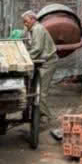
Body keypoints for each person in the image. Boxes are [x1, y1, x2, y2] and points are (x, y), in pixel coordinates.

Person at [21, 10, 60, 139]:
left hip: (47, 63)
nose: (25, 24)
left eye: (26, 21)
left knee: (40, 92)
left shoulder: (38, 29)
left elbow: (37, 49)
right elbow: (25, 40)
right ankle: (39, 115)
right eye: (23, 22)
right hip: (41, 62)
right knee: (34, 89)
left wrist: (24, 59)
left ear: (33, 19)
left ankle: (47, 119)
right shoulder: (31, 29)